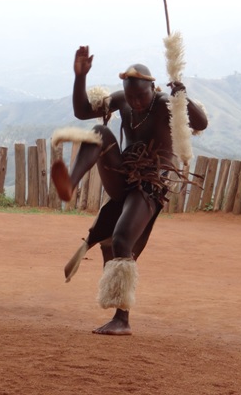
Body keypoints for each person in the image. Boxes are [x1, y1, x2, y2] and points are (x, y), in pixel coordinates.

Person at [51, 45, 208, 336]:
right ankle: (69, 185)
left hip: (151, 184)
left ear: (152, 88)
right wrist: (80, 76)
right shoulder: (122, 100)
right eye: (131, 95)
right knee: (100, 133)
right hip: (123, 174)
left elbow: (201, 123)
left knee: (119, 241)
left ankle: (121, 319)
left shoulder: (165, 103)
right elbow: (82, 111)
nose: (135, 102)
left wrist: (182, 97)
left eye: (141, 95)